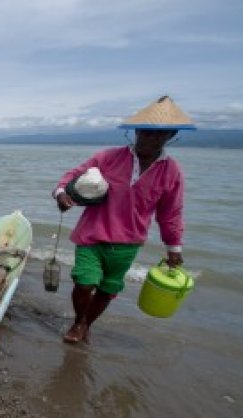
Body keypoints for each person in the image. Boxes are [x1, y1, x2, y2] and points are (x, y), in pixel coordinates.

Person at [52, 95, 195, 343]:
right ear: (136, 132)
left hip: (128, 243)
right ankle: (78, 323)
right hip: (92, 235)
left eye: (157, 135)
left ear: (169, 137)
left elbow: (170, 213)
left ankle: (87, 324)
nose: (148, 139)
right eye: (144, 133)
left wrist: (174, 247)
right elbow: (72, 176)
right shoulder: (108, 157)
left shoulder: (171, 172)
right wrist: (61, 193)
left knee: (108, 289)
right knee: (84, 282)